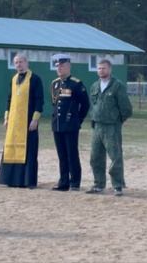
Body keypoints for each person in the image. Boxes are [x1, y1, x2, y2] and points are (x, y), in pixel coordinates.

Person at [0, 53, 44, 189]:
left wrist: (35, 120)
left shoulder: (35, 79)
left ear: (27, 63)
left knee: (29, 150)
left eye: (21, 62)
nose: (19, 65)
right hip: (13, 122)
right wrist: (6, 117)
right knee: (11, 149)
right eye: (16, 62)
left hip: (28, 121)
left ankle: (28, 181)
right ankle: (12, 179)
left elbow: (39, 101)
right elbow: (9, 99)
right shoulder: (13, 79)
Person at [86, 59, 133, 196]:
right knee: (95, 157)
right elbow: (93, 105)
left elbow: (126, 108)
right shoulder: (94, 86)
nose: (101, 71)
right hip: (97, 126)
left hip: (112, 127)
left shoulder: (117, 86)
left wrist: (117, 121)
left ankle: (117, 186)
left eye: (104, 68)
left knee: (115, 157)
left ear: (110, 70)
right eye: (99, 68)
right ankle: (98, 184)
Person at [50, 54, 90, 191]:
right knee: (61, 155)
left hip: (71, 124)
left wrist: (78, 120)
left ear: (68, 66)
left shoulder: (76, 84)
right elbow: (55, 104)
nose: (59, 68)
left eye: (62, 66)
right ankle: (63, 182)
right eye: (57, 66)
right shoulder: (54, 84)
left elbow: (85, 105)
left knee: (72, 154)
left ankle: (75, 182)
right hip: (58, 124)